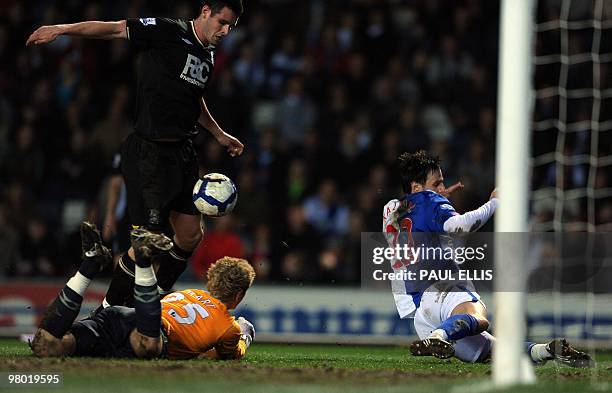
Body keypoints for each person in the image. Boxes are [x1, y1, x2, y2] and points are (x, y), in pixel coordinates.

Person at [26, 0, 246, 308]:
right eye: (222, 22)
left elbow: (192, 100)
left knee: (189, 237)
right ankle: (109, 310)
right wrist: (62, 29)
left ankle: (153, 298)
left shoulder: (207, 56)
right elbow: (115, 29)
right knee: (148, 241)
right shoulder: (168, 31)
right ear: (206, 11)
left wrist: (219, 134)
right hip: (149, 152)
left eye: (231, 28)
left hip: (183, 151)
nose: (225, 31)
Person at [382, 150, 594, 367]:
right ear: (416, 187)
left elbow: (418, 224)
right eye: (437, 183)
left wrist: (436, 201)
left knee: (493, 352)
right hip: (444, 287)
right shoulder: (429, 200)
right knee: (479, 317)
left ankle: (547, 350)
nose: (442, 189)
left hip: (421, 310)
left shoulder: (391, 209)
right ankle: (438, 337)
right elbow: (461, 226)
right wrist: (494, 202)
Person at [31, 222, 256, 360]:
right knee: (149, 345)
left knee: (47, 345)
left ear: (211, 282)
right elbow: (227, 354)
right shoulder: (229, 327)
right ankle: (143, 260)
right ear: (239, 296)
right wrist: (246, 334)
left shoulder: (187, 294)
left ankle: (89, 266)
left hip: (117, 317)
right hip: (146, 332)